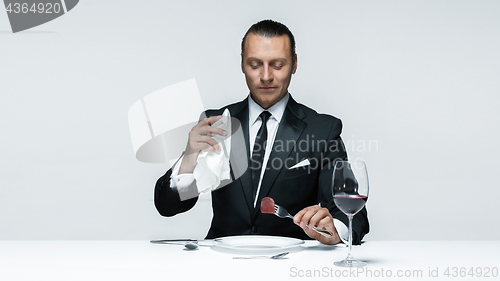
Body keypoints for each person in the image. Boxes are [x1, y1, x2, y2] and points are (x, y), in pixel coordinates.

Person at [154, 19, 369, 245]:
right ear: (242, 64)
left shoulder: (323, 130)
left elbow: (354, 215)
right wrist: (188, 159)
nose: (266, 76)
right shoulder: (217, 123)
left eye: (277, 65)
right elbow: (167, 207)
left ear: (294, 64)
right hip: (221, 264)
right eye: (255, 65)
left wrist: (335, 230)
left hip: (290, 263)